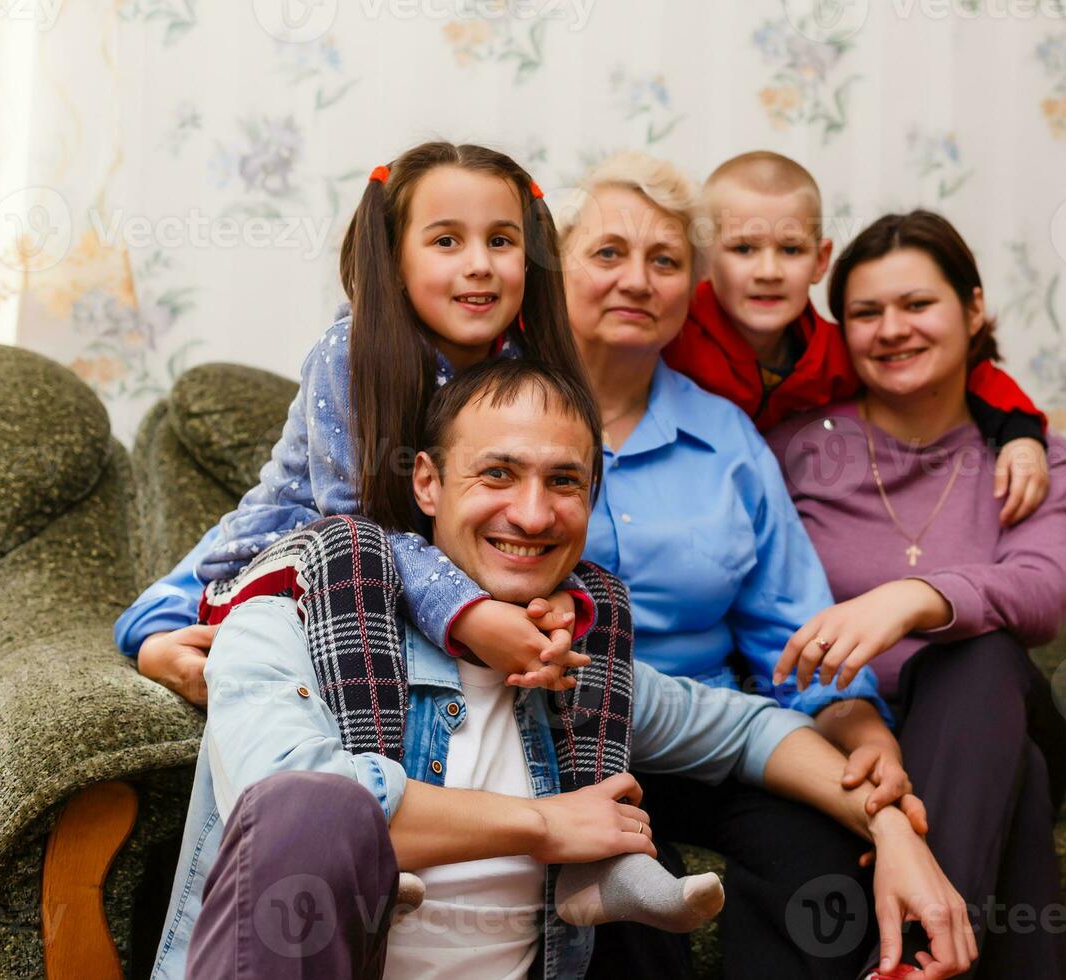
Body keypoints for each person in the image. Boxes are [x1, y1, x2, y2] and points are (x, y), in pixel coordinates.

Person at [158, 358, 976, 980]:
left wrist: (893, 829)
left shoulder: (580, 669)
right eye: (498, 474)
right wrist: (549, 827)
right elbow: (294, 797)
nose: (533, 513)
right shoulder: (290, 619)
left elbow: (749, 732)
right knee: (313, 809)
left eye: (564, 483)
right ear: (428, 483)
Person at [117, 141, 707, 937]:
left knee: (601, 590)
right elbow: (352, 523)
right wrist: (468, 615)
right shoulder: (350, 351)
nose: (480, 266)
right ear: (391, 260)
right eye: (446, 241)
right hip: (289, 565)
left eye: (502, 242)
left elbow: (525, 523)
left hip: (385, 575)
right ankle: (369, 846)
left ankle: (598, 859)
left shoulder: (520, 368)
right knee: (356, 551)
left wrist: (557, 602)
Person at [552, 151, 922, 978]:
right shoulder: (501, 416)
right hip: (562, 742)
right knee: (628, 916)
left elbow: (793, 632)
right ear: (557, 268)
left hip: (714, 736)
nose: (638, 280)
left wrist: (863, 738)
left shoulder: (726, 438)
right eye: (608, 253)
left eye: (666, 261)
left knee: (824, 875)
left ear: (694, 287)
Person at [767, 210, 1066, 978]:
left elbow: (1042, 595)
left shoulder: (1033, 460)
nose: (891, 329)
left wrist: (914, 598)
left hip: (994, 708)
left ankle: (913, 948)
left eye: (918, 305)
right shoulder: (797, 448)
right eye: (866, 313)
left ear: (973, 311)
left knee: (976, 655)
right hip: (843, 731)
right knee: (1026, 789)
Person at [661, 150, 1051, 527]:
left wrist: (1021, 436)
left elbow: (963, 372)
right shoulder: (671, 333)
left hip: (770, 517)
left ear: (820, 260)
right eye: (744, 248)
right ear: (706, 259)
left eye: (791, 249)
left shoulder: (835, 352)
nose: (769, 271)